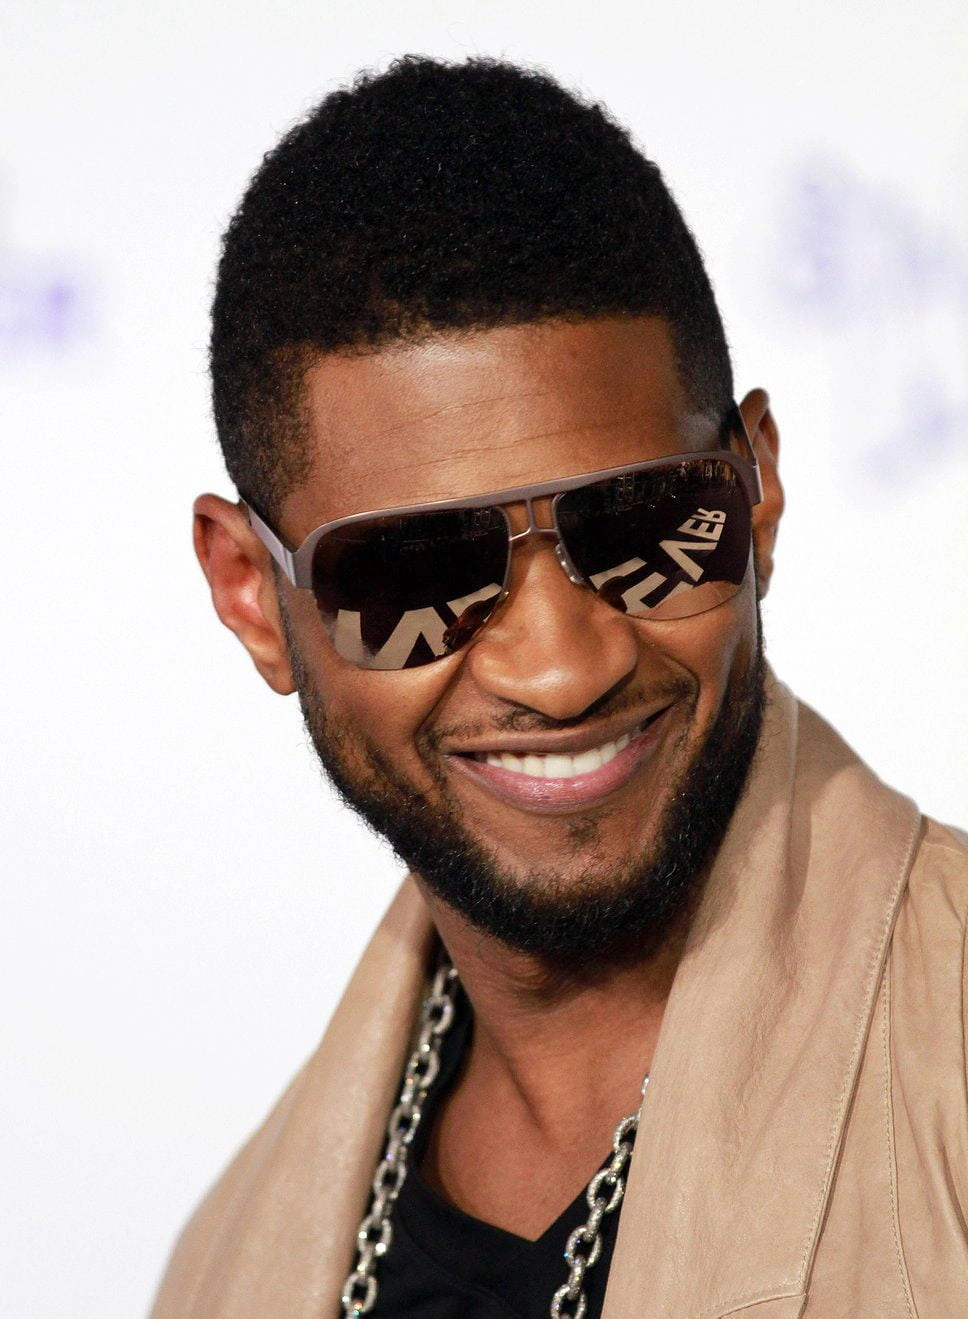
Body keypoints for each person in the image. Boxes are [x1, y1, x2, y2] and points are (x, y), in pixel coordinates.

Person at [151, 56, 968, 1319]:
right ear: (252, 596)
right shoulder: (227, 1266)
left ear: (754, 493)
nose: (560, 666)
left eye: (643, 527)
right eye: (419, 572)